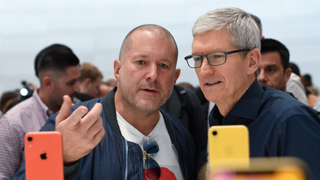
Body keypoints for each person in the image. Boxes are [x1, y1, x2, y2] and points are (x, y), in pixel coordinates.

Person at [13, 24, 196, 180]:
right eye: (141, 62)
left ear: (175, 77)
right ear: (118, 69)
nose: (153, 75)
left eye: (164, 66)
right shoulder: (72, 125)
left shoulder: (181, 138)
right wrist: (62, 159)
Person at [185, 7, 320, 179]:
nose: (204, 70)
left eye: (217, 56)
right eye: (197, 58)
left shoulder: (289, 121)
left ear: (252, 61)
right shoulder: (218, 118)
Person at [0, 44, 80, 180]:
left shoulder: (80, 113)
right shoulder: (13, 122)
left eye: (78, 81)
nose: (78, 88)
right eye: (70, 83)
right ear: (48, 83)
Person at [161, 84, 208, 174]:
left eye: (164, 68)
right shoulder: (131, 101)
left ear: (176, 74)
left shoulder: (185, 97)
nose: (153, 75)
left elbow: (202, 144)